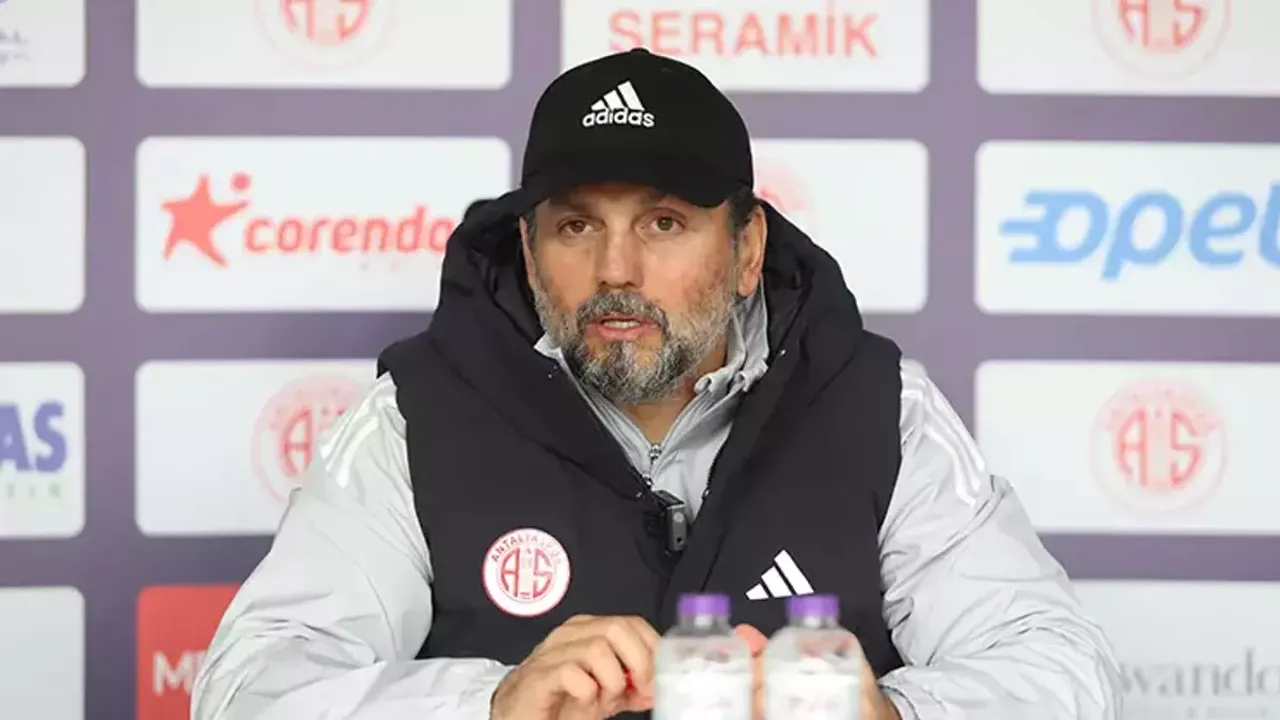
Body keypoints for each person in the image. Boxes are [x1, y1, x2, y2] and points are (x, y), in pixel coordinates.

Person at [191, 49, 1122, 720]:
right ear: (529, 251)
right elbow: (247, 688)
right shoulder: (417, 414)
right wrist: (489, 705)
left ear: (747, 249)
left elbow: (1066, 673)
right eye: (576, 227)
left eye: (665, 223)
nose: (617, 270)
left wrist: (887, 714)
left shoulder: (880, 406)